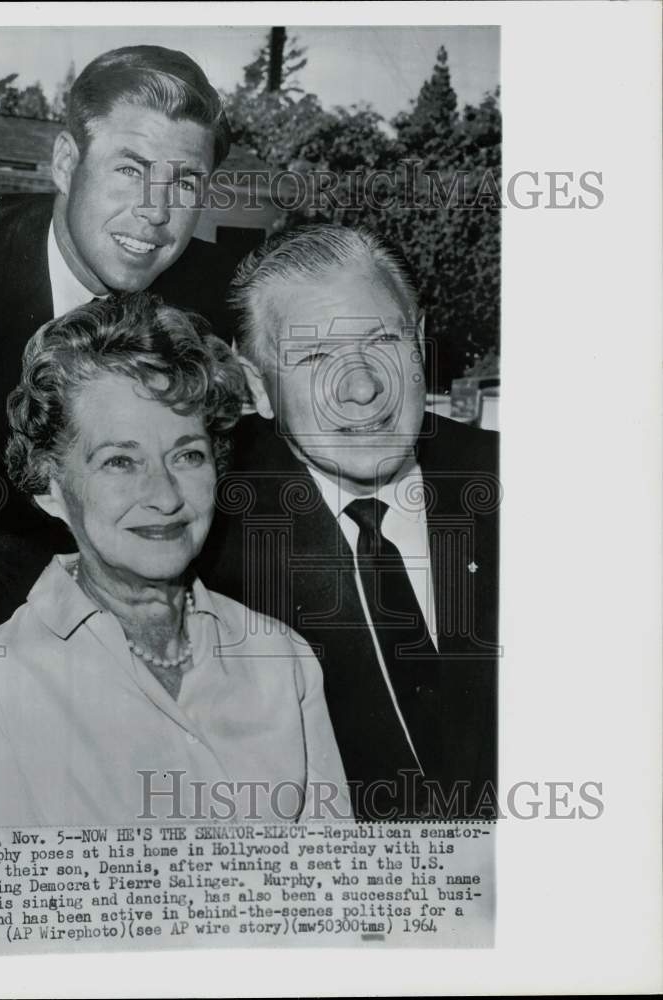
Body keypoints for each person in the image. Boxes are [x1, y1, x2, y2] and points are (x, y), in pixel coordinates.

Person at [0, 44, 236, 816]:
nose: (156, 211)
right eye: (130, 169)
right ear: (65, 159)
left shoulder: (217, 304)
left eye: (185, 182)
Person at [0, 293, 349, 826]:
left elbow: (332, 884)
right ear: (50, 486)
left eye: (187, 455)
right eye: (121, 461)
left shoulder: (282, 658)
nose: (165, 497)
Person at [197, 224, 500, 821]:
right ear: (258, 385)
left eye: (383, 341)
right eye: (314, 356)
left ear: (417, 342)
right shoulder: (209, 540)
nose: (360, 388)